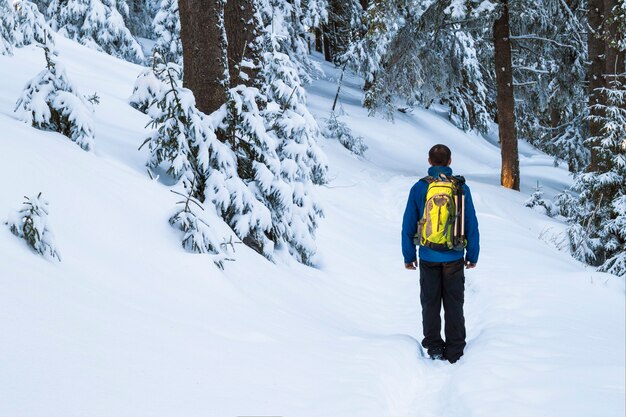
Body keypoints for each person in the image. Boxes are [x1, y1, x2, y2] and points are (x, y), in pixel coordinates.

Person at [401, 144, 480, 364]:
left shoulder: (419, 188)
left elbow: (408, 224)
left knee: (430, 302)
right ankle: (455, 350)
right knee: (454, 303)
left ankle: (435, 347)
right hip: (454, 256)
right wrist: (472, 254)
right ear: (450, 161)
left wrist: (409, 256)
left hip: (427, 256)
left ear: (429, 162)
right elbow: (471, 223)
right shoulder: (461, 188)